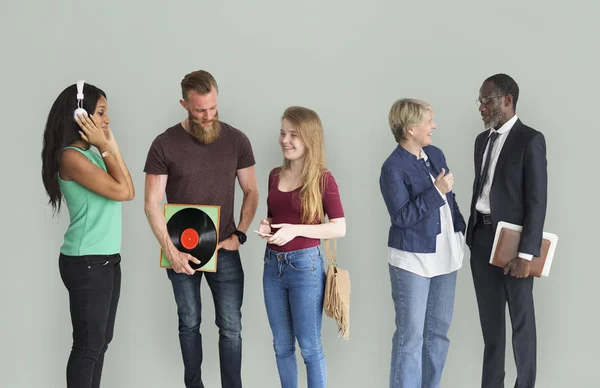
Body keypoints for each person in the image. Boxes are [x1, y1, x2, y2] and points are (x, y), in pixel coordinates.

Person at [143, 69, 259, 388]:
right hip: (180, 252)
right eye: (199, 110)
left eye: (212, 108)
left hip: (224, 250)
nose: (207, 116)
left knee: (232, 326)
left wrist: (240, 234)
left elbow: (251, 191)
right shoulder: (164, 144)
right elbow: (151, 203)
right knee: (189, 323)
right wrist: (171, 251)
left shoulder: (237, 140)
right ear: (184, 104)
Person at [41, 80, 135, 388]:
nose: (108, 119)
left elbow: (129, 190)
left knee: (100, 342)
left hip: (106, 259)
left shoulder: (93, 154)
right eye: (101, 112)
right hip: (88, 261)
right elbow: (122, 191)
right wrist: (106, 146)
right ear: (80, 115)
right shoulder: (72, 158)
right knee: (88, 346)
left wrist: (110, 145)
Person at [466, 74, 547, 388]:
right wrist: (471, 236)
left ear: (507, 100)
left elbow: (537, 200)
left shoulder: (530, 139)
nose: (482, 108)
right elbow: (482, 192)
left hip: (515, 247)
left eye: (487, 100)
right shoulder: (481, 141)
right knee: (491, 329)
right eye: (480, 101)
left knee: (521, 324)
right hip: (482, 239)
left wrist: (527, 254)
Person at [378, 98, 466, 388]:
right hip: (412, 260)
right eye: (429, 121)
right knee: (410, 336)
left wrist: (462, 229)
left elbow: (449, 201)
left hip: (445, 256)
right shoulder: (392, 168)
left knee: (438, 333)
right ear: (411, 128)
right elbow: (402, 216)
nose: (434, 126)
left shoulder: (435, 154)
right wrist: (436, 191)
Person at [256, 106, 346, 388]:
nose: (285, 140)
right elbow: (276, 216)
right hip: (272, 265)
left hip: (305, 266)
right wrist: (266, 225)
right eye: (283, 133)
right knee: (281, 346)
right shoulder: (274, 175)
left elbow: (339, 227)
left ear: (310, 138)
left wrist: (296, 230)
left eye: (294, 135)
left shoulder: (323, 178)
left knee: (309, 347)